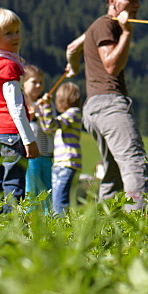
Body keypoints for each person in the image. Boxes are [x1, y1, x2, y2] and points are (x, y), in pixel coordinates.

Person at [66, 0, 148, 211]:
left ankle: (103, 231)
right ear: (112, 1)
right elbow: (111, 66)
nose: (136, 5)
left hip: (94, 109)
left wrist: (72, 66)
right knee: (135, 164)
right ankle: (138, 226)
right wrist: (126, 33)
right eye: (130, 0)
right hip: (109, 105)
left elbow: (73, 47)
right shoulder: (107, 25)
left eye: (137, 0)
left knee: (113, 173)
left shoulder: (99, 25)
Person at [0, 8, 39, 213]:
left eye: (17, 31)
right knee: (13, 185)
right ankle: (11, 229)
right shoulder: (8, 67)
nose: (16, 37)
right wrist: (29, 138)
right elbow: (15, 106)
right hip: (11, 134)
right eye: (8, 33)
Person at [38, 81, 84, 215]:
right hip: (60, 163)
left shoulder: (73, 113)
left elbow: (51, 125)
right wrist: (41, 111)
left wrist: (46, 105)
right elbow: (47, 128)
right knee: (57, 199)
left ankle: (61, 228)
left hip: (67, 162)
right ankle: (61, 226)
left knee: (60, 201)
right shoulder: (67, 116)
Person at [22, 65, 54, 213]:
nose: (38, 86)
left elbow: (50, 127)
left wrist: (46, 108)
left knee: (48, 191)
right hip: (31, 155)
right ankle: (29, 221)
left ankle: (50, 223)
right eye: (34, 82)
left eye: (40, 82)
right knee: (31, 191)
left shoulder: (46, 103)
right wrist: (31, 114)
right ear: (24, 83)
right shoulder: (21, 103)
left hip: (47, 154)